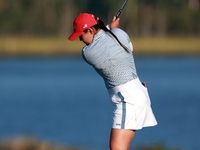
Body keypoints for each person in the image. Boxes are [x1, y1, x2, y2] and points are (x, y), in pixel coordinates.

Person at [68, 13, 157, 150]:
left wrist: (110, 28)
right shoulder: (119, 33)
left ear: (90, 30)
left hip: (128, 98)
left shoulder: (87, 53)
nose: (80, 39)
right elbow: (124, 48)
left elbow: (104, 43)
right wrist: (112, 29)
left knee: (117, 147)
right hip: (136, 92)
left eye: (80, 35)